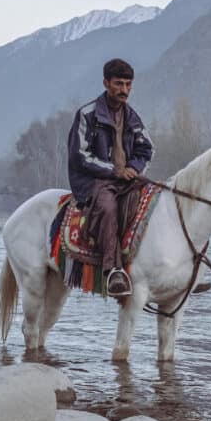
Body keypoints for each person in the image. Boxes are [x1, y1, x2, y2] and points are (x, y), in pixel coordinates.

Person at [67, 58, 154, 297]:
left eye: (128, 85)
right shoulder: (87, 114)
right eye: (118, 84)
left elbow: (147, 149)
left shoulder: (133, 117)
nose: (124, 90)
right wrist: (114, 171)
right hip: (92, 181)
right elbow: (79, 156)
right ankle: (112, 271)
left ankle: (167, 270)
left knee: (156, 199)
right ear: (106, 83)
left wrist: (134, 169)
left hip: (124, 179)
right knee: (107, 207)